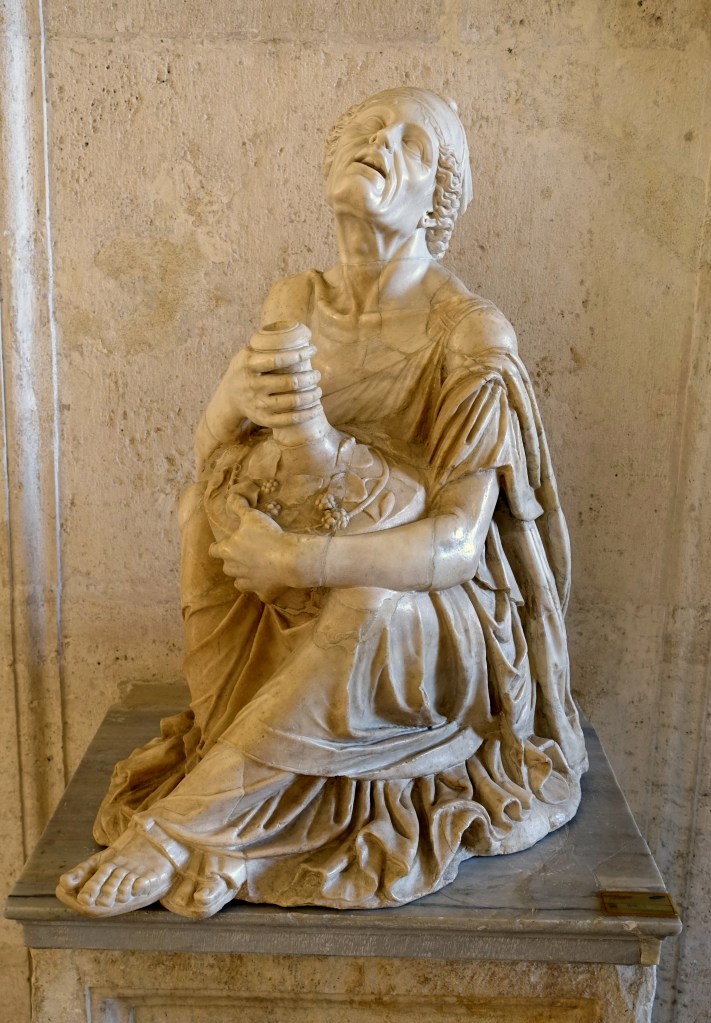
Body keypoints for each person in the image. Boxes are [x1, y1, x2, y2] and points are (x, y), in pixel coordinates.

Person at [57, 87, 587, 919]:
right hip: (296, 565)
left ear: (436, 197)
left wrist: (298, 559)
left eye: (411, 141)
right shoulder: (294, 302)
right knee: (197, 513)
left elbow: (454, 543)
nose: (379, 139)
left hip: (426, 605)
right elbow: (220, 466)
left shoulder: (468, 334)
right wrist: (224, 408)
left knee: (366, 606)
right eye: (366, 128)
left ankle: (179, 827)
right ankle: (243, 750)